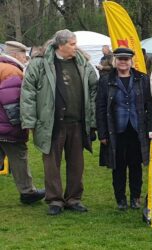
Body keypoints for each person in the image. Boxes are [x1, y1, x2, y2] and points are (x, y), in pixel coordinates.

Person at [20, 29, 98, 215]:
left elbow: (94, 91)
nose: (75, 47)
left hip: (77, 123)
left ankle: (74, 199)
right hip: (51, 123)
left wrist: (93, 121)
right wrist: (29, 122)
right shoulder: (39, 64)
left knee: (77, 164)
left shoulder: (84, 64)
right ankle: (55, 200)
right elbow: (28, 94)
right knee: (51, 164)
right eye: (72, 44)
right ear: (60, 45)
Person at [96, 47, 152, 210]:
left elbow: (150, 107)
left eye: (126, 59)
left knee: (136, 165)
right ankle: (120, 199)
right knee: (118, 166)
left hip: (138, 130)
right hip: (115, 130)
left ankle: (135, 198)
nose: (123, 62)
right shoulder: (105, 80)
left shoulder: (143, 79)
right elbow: (100, 107)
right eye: (120, 59)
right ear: (114, 61)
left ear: (131, 61)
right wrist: (102, 132)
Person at [0, 41, 45, 204]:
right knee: (19, 157)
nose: (26, 59)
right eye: (24, 55)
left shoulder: (2, 67)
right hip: (7, 127)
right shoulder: (12, 71)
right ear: (15, 54)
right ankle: (28, 192)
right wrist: (21, 124)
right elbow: (12, 102)